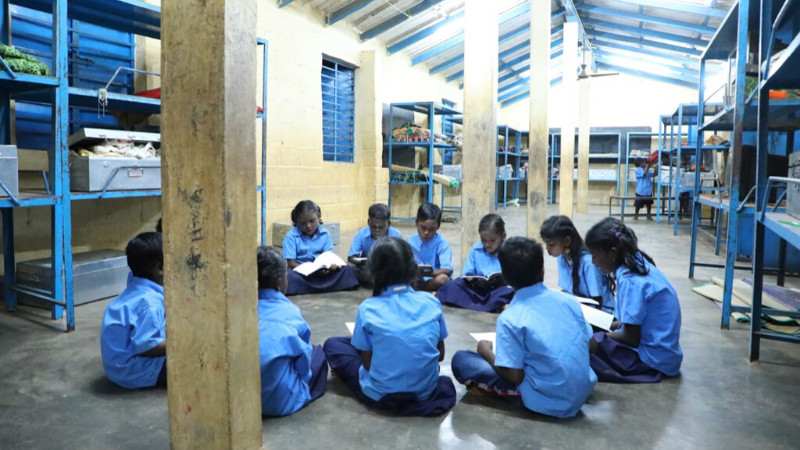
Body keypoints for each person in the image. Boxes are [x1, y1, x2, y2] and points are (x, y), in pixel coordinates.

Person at [450, 237, 597, 418]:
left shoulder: (511, 317)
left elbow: (514, 376)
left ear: (505, 277)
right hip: (582, 389)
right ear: (542, 270)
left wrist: (486, 351)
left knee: (462, 360)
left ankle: (503, 393)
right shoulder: (568, 301)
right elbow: (591, 344)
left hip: (546, 400)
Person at [323, 237, 456, 416]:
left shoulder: (368, 308)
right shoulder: (431, 302)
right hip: (424, 392)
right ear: (412, 269)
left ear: (373, 272)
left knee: (334, 345)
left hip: (381, 394)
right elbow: (440, 355)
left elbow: (368, 364)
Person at [585, 217, 683, 383]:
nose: (593, 262)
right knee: (595, 333)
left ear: (613, 252)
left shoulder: (630, 280)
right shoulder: (638, 261)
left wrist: (601, 337)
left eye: (595, 255)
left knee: (585, 349)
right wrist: (613, 326)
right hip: (666, 355)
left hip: (652, 360)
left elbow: (631, 338)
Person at [256, 246, 328, 416]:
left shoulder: (234, 310)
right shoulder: (290, 313)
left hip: (240, 399)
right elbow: (304, 365)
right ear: (282, 281)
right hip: (278, 402)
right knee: (319, 354)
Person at [100, 232, 167, 389]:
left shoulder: (135, 282)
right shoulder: (149, 303)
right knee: (195, 360)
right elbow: (146, 347)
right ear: (159, 268)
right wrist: (181, 344)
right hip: (133, 371)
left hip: (115, 368)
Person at [436, 214, 514, 313]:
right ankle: (492, 306)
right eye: (483, 240)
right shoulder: (476, 250)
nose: (487, 244)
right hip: (477, 291)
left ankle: (488, 304)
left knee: (509, 292)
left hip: (497, 291)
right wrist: (470, 278)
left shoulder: (509, 251)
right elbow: (467, 273)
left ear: (503, 236)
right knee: (452, 286)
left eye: (492, 240)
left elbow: (514, 278)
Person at [283, 200, 359, 296]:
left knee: (347, 270)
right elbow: (291, 263)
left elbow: (328, 256)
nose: (308, 226)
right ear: (296, 222)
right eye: (303, 223)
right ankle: (327, 286)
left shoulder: (325, 234)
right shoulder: (291, 236)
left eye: (312, 221)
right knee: (289, 277)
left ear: (319, 218)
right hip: (302, 274)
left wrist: (331, 266)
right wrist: (308, 270)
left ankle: (312, 287)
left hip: (322, 272)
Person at [540, 215, 614, 312]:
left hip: (601, 312)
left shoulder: (589, 262)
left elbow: (597, 300)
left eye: (551, 244)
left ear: (567, 241)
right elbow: (566, 290)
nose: (547, 249)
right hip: (578, 307)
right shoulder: (561, 257)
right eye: (546, 244)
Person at [347, 203, 403, 288]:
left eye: (381, 227)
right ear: (368, 222)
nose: (377, 230)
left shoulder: (396, 235)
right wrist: (360, 261)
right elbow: (351, 257)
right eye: (373, 227)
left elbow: (403, 259)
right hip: (368, 269)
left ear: (389, 224)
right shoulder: (361, 234)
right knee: (348, 268)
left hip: (388, 269)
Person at [408, 203, 453, 291]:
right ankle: (420, 287)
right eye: (423, 228)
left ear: (438, 227)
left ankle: (422, 288)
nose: (426, 232)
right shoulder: (410, 242)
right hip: (415, 278)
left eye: (431, 229)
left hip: (434, 279)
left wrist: (430, 272)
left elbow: (448, 270)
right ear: (416, 223)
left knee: (443, 279)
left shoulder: (442, 243)